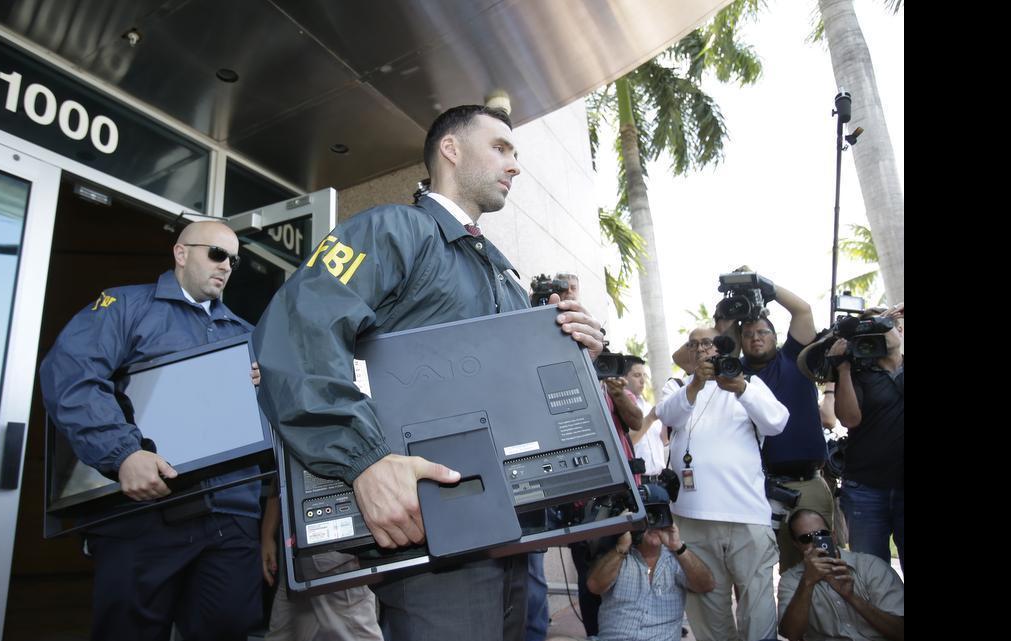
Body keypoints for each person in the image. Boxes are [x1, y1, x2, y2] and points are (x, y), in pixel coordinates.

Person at [253, 104, 605, 641]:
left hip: (511, 531)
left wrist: (575, 351)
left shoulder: (504, 276)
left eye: (517, 154)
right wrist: (363, 462)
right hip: (430, 532)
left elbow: (514, 391)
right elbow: (297, 334)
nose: (515, 166)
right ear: (451, 149)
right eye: (502, 148)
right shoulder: (394, 228)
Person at [39, 221, 264, 641]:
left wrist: (264, 391)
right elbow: (71, 375)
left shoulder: (247, 336)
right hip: (144, 513)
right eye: (217, 254)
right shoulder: (125, 306)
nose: (227, 267)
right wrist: (123, 453)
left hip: (231, 516)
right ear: (181, 253)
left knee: (228, 629)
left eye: (234, 260)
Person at [655, 327, 790, 641]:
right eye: (695, 344)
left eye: (709, 343)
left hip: (745, 516)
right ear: (689, 352)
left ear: (722, 348)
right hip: (691, 518)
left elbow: (777, 422)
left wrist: (741, 387)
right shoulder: (678, 385)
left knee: (756, 609)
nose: (702, 349)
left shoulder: (749, 383)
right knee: (706, 610)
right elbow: (666, 415)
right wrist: (696, 385)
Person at [734, 271, 836, 574]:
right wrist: (728, 310)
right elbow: (688, 354)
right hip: (756, 487)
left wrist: (763, 285)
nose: (756, 338)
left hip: (808, 484)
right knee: (756, 572)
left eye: (763, 332)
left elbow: (802, 310)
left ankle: (820, 623)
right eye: (748, 334)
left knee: (820, 566)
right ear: (739, 341)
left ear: (775, 337)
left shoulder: (795, 358)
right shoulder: (731, 373)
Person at [826, 303, 904, 570]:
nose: (882, 332)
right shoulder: (858, 372)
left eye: (886, 326)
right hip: (865, 488)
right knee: (871, 573)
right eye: (873, 328)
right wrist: (844, 369)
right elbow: (849, 419)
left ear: (901, 329)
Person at [260, 494, 383, 641]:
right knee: (282, 634)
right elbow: (278, 479)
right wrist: (267, 536)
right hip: (298, 553)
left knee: (355, 632)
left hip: (335, 550)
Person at [777, 509, 904, 641]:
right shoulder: (791, 580)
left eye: (822, 534)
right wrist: (807, 582)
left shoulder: (872, 567)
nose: (816, 543)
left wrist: (851, 597)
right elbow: (789, 636)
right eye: (806, 538)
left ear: (833, 536)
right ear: (797, 545)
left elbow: (900, 632)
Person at [587, 522, 715, 641]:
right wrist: (621, 547)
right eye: (647, 520)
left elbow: (706, 585)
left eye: (658, 518)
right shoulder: (619, 553)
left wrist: (678, 547)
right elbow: (594, 587)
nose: (654, 526)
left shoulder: (675, 556)